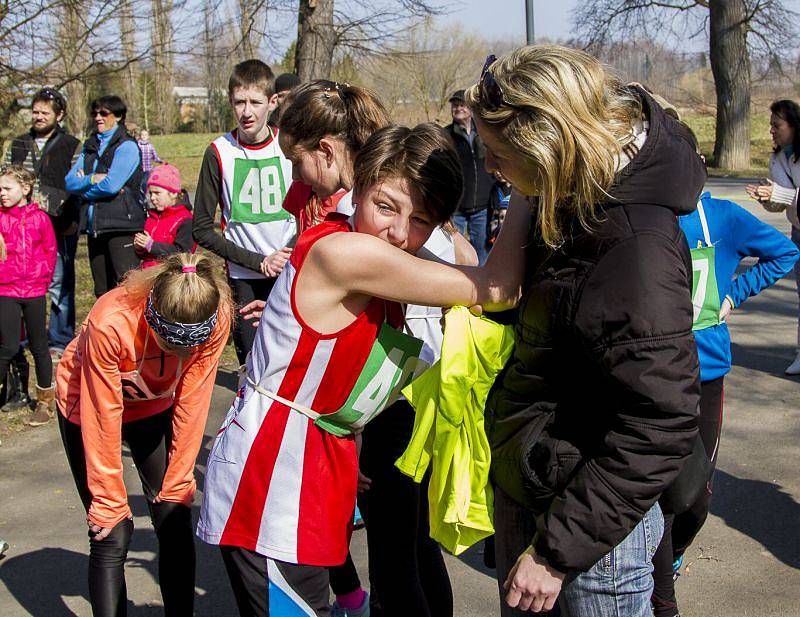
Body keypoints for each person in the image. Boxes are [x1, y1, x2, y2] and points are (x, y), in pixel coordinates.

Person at [197, 121, 530, 617]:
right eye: (386, 206)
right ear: (360, 186)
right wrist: (528, 180)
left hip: (312, 476)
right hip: (271, 486)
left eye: (420, 219)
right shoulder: (346, 252)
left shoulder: (361, 252)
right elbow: (499, 286)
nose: (397, 233)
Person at [464, 45, 706, 616]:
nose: (492, 170)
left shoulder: (632, 246)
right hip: (547, 487)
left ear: (547, 146)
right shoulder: (573, 200)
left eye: (498, 154)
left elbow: (662, 421)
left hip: (590, 543)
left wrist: (555, 553)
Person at [56, 252, 233, 617]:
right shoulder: (112, 321)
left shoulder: (216, 318)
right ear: (153, 317)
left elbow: (193, 401)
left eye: (187, 349)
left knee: (173, 513)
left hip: (151, 403)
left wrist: (180, 479)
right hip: (84, 401)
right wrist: (108, 501)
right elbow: (103, 414)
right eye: (170, 346)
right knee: (112, 531)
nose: (180, 355)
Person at [650, 191, 799, 617]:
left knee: (694, 499)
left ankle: (669, 560)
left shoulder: (721, 216)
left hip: (707, 370)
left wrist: (733, 295)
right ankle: (662, 598)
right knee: (659, 492)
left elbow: (784, 253)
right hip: (652, 371)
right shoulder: (640, 213)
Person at [192, 59, 294, 365]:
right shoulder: (218, 152)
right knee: (252, 366)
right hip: (244, 277)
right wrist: (258, 261)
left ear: (273, 102)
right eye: (239, 102)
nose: (246, 112)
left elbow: (309, 211)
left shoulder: (288, 145)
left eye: (255, 102)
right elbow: (200, 228)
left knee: (290, 362)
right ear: (230, 102)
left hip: (291, 272)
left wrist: (287, 254)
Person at [6, 87, 81, 355]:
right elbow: (5, 179)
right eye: (35, 111)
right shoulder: (17, 143)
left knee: (59, 281)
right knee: (20, 278)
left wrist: (73, 218)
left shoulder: (71, 144)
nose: (38, 116)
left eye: (44, 112)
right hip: (19, 225)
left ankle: (59, 338)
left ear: (58, 115)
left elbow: (78, 185)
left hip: (58, 223)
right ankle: (22, 335)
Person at [66, 95, 146, 298]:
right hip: (95, 228)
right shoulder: (90, 146)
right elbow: (69, 182)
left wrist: (84, 192)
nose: (98, 118)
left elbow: (111, 185)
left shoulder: (126, 146)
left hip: (122, 227)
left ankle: (132, 330)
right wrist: (92, 179)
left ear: (118, 116)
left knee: (127, 288)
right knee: (102, 292)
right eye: (95, 113)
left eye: (104, 113)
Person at [745, 99, 800, 374]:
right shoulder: (776, 158)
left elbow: (789, 196)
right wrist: (765, 199)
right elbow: (781, 205)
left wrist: (778, 195)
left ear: (793, 125)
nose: (772, 131)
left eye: (776, 125)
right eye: (770, 126)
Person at [0, 166, 57, 426]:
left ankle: (45, 401)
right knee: (9, 346)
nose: (2, 193)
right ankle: (12, 390)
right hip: (6, 290)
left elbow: (50, 250)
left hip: (34, 290)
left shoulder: (40, 219)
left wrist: (42, 279)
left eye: (7, 188)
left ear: (25, 189)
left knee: (39, 347)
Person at [445, 89, 494, 265]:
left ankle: (481, 288)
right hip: (455, 207)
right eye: (455, 105)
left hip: (482, 205)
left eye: (462, 105)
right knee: (452, 252)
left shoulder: (484, 133)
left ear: (471, 108)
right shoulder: (446, 135)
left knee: (481, 251)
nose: (458, 108)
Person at [133, 163, 194, 268]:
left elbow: (183, 254)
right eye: (150, 193)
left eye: (157, 193)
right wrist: (140, 248)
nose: (152, 198)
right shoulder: (151, 217)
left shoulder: (185, 220)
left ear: (174, 193)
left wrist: (152, 245)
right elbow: (146, 255)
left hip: (170, 277)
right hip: (147, 275)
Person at [487, 171, 511, 248]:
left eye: (500, 170)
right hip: (498, 229)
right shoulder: (495, 188)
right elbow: (491, 211)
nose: (498, 173)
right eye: (495, 171)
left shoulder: (517, 188)